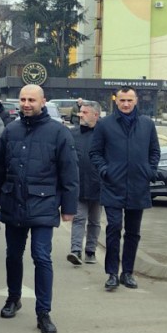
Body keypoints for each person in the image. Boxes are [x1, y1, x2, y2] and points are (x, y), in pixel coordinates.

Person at [0, 84, 78, 333]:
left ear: (43, 101)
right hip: (13, 202)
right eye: (23, 99)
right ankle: (13, 298)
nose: (26, 104)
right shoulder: (11, 131)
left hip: (44, 204)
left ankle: (43, 312)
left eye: (31, 100)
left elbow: (70, 173)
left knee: (41, 257)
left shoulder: (59, 133)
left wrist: (69, 207)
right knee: (13, 255)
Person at [89, 86, 160, 291]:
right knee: (113, 228)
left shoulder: (147, 124)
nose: (126, 104)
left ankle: (127, 272)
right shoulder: (105, 124)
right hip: (113, 185)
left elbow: (154, 151)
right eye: (122, 100)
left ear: (136, 100)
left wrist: (149, 170)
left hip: (138, 186)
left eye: (129, 100)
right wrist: (105, 170)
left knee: (133, 232)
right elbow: (95, 152)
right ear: (116, 101)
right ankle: (112, 273)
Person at [68, 100, 102, 266]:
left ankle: (90, 251)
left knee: (95, 221)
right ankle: (75, 250)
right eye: (80, 112)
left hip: (99, 185)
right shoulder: (72, 134)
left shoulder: (104, 134)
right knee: (79, 218)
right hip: (79, 184)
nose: (80, 115)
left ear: (96, 115)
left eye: (85, 112)